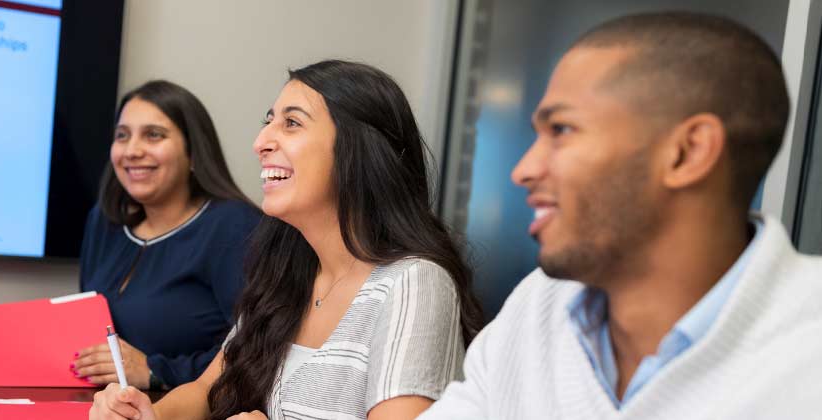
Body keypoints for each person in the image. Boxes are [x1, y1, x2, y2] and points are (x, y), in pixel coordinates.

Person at [420, 12, 822, 420]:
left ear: (687, 153)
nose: (523, 170)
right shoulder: (539, 305)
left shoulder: (807, 352)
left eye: (561, 130)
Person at [90, 60, 485, 420]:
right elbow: (206, 390)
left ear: (357, 149)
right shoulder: (286, 275)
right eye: (268, 121)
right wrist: (146, 414)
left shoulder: (414, 283)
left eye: (291, 123)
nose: (260, 142)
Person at [74, 80, 261, 390]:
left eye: (153, 135)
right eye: (122, 136)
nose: (132, 151)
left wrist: (155, 370)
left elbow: (258, 350)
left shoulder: (235, 226)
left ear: (193, 152)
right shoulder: (103, 223)